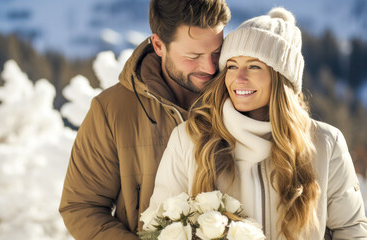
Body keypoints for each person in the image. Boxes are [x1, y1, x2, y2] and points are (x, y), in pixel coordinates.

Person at [148, 7, 367, 240]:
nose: (239, 78)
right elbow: (158, 226)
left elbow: (351, 231)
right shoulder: (190, 138)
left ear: (281, 77)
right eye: (231, 66)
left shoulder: (325, 143)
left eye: (254, 66)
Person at [58, 0, 231, 239]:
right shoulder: (112, 110)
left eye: (217, 52)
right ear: (159, 45)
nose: (210, 68)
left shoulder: (240, 99)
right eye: (193, 56)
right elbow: (81, 206)